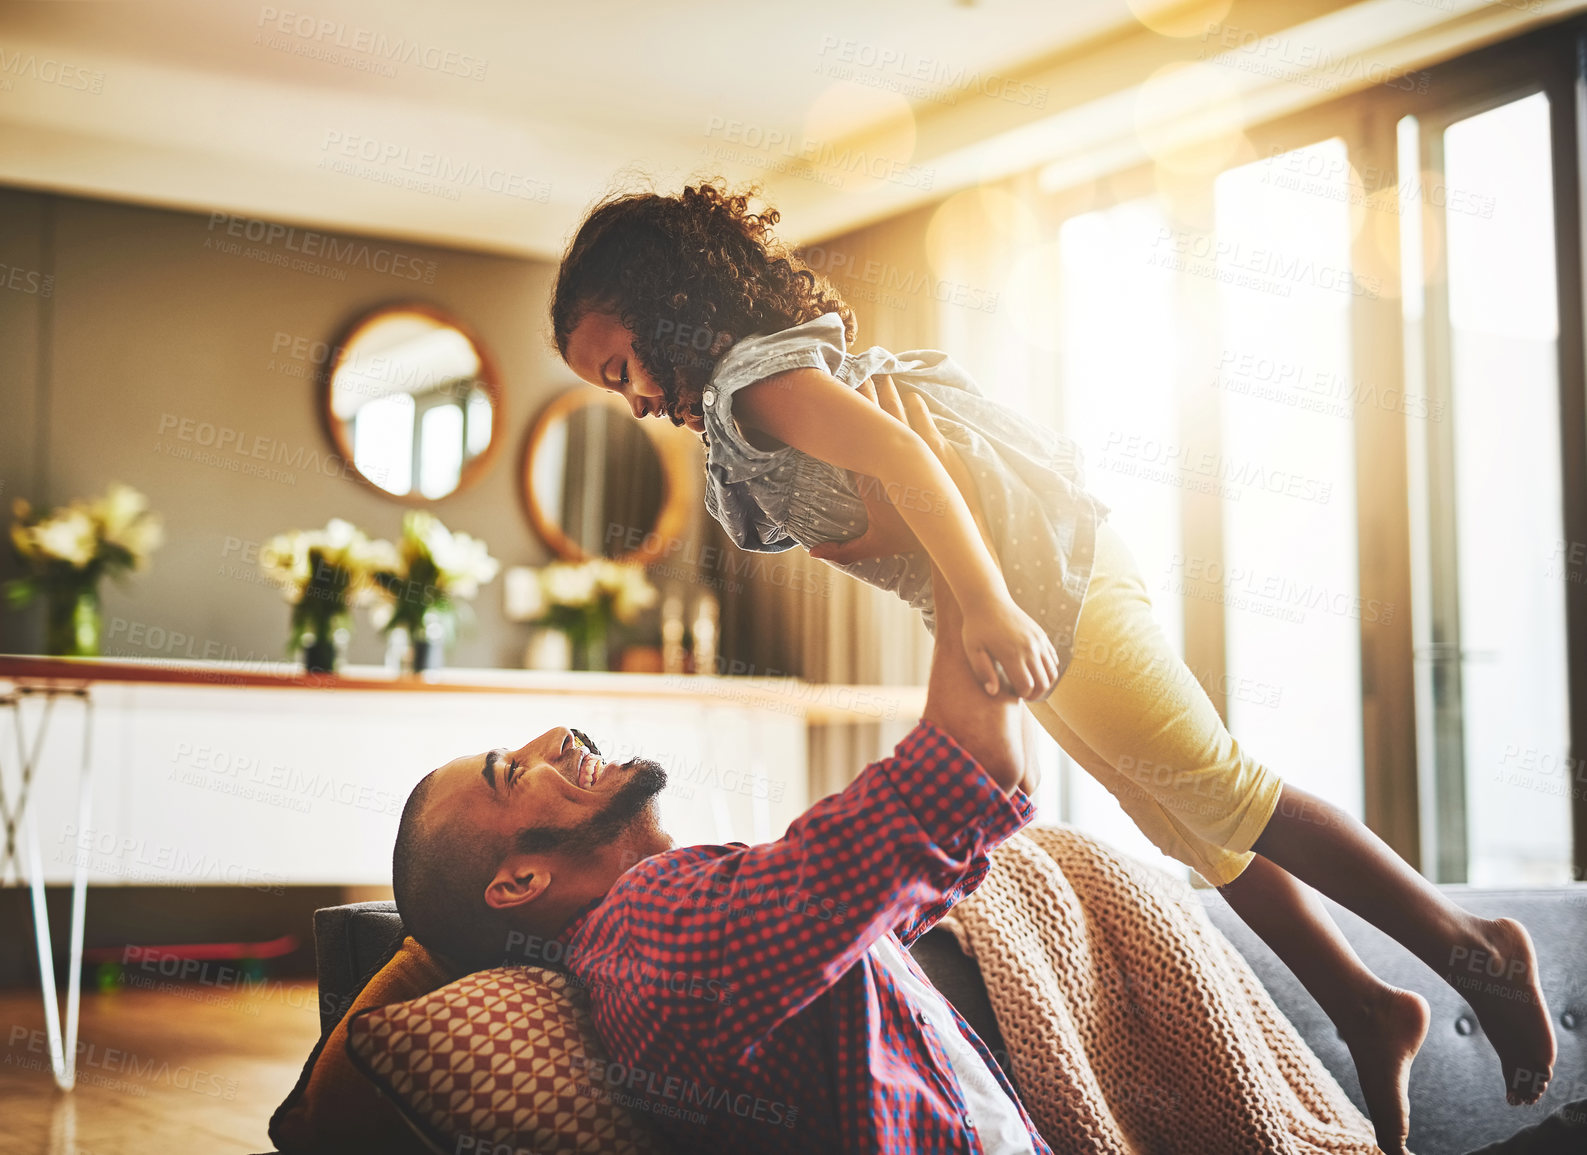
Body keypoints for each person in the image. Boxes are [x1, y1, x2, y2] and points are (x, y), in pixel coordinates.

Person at [549, 181, 1557, 1153]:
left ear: (663, 310)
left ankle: (1478, 951)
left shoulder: (754, 385)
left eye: (618, 368)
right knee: (1184, 816)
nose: (633, 401)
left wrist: (984, 605)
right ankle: (1363, 1003)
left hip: (1046, 594)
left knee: (1226, 790)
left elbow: (912, 461)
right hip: (1051, 581)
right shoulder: (758, 382)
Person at [393, 567, 1053, 1153]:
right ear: (519, 882)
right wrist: (946, 548)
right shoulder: (650, 926)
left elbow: (971, 806)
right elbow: (963, 773)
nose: (558, 737)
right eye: (511, 773)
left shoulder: (672, 936)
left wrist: (961, 578)